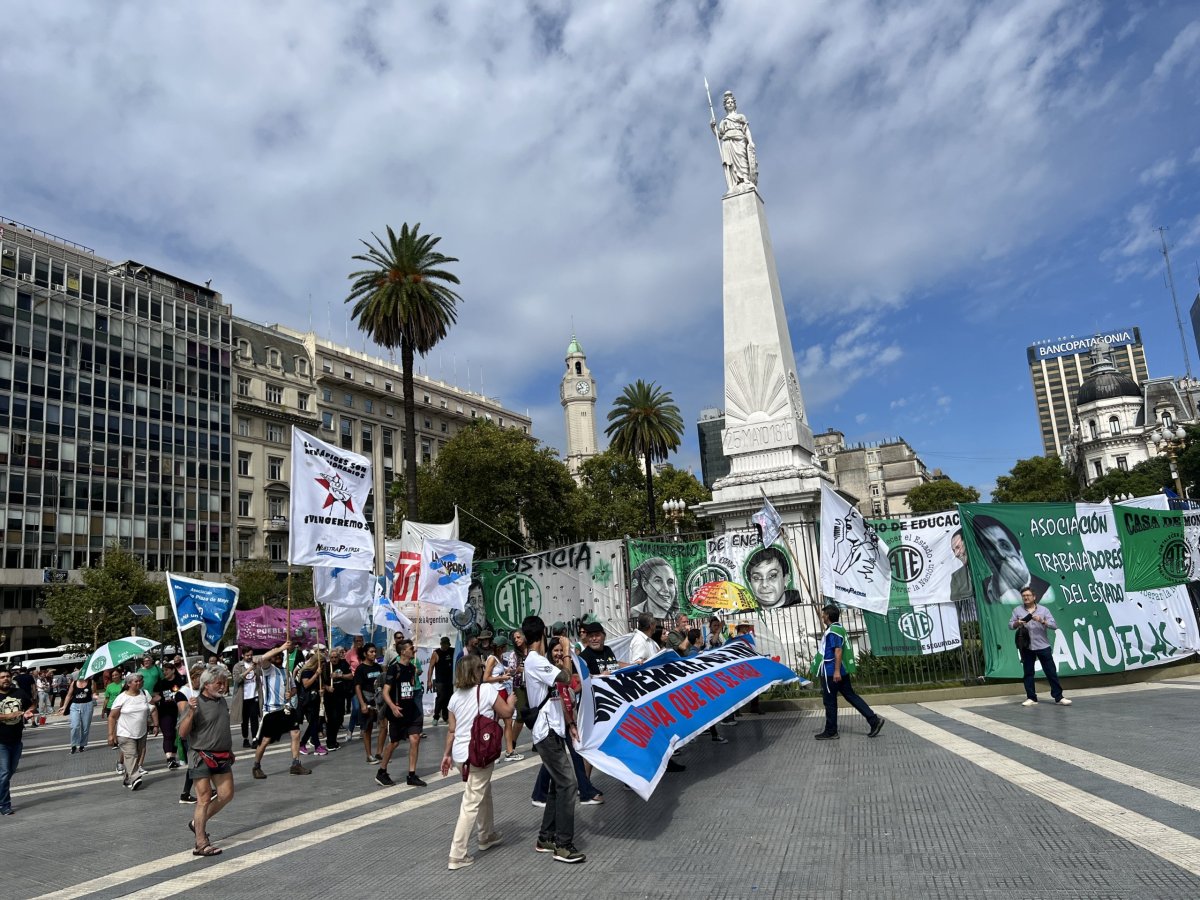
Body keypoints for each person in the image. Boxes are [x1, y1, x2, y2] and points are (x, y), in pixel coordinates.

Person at [521, 615, 585, 864]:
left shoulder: (537, 661)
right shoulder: (535, 661)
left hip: (554, 728)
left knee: (557, 786)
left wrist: (569, 723)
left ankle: (546, 837)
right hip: (546, 731)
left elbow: (556, 695)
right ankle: (563, 845)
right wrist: (567, 652)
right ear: (543, 636)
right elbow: (567, 679)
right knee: (569, 784)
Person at [441, 655, 513, 870]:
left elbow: (452, 731)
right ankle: (457, 853)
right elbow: (507, 713)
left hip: (460, 755)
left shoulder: (454, 698)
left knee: (483, 792)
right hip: (479, 753)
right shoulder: (487, 690)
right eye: (481, 667)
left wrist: (446, 755)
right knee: (471, 801)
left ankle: (486, 834)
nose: (484, 670)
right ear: (475, 671)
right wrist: (511, 701)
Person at [530, 639, 603, 808]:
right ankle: (584, 792)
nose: (559, 654)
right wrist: (570, 723)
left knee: (562, 758)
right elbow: (560, 697)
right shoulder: (551, 672)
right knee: (571, 755)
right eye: (556, 651)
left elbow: (572, 684)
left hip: (566, 719)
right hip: (558, 721)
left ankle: (541, 794)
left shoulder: (561, 669)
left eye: (561, 651)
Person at [180, 664, 234, 857]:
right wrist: (191, 712)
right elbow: (183, 733)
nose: (223, 687)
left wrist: (229, 750)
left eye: (224, 683)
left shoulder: (221, 702)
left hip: (222, 755)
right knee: (203, 799)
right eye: (219, 683)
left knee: (226, 794)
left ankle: (197, 823)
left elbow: (221, 728)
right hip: (201, 756)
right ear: (206, 684)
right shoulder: (194, 704)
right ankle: (201, 843)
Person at [812, 605, 884, 741]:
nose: (822, 616)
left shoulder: (833, 631)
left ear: (828, 616)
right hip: (839, 670)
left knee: (830, 702)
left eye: (823, 614)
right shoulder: (839, 629)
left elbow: (837, 651)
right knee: (851, 696)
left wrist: (836, 671)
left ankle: (831, 731)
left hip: (831, 670)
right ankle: (873, 720)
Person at [250, 642, 311, 779]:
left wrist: (292, 693)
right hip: (272, 711)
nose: (277, 656)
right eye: (275, 654)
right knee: (265, 740)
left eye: (280, 655)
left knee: (296, 733)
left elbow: (294, 688)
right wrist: (280, 648)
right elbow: (260, 659)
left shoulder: (287, 672)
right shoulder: (268, 669)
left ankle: (296, 764)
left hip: (286, 709)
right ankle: (256, 765)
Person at [970, 515, 1053, 605]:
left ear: (1019, 554)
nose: (1001, 554)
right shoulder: (984, 585)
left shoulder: (1045, 590)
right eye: (991, 547)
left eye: (1005, 546)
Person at [1011, 588, 1071, 707]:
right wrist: (1018, 623)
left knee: (1051, 672)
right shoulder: (1017, 610)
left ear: (1034, 597)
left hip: (1043, 645)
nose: (1026, 597)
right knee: (1028, 672)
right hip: (1027, 646)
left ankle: (1059, 697)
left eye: (1028, 595)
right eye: (1023, 596)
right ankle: (1031, 697)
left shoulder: (1044, 610)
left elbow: (1054, 625)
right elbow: (1010, 625)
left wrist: (1042, 621)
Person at [378, 639, 426, 787]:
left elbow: (411, 687)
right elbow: (386, 692)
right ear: (403, 651)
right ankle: (382, 771)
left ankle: (411, 774)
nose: (414, 650)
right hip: (398, 712)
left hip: (412, 710)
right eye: (411, 648)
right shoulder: (394, 669)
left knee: (415, 739)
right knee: (394, 742)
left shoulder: (412, 668)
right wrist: (392, 707)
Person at [108, 672, 159, 790]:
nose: (139, 683)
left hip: (141, 732)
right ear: (129, 684)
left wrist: (156, 725)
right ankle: (136, 777)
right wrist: (111, 734)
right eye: (136, 681)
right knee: (131, 755)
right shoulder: (122, 698)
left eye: (141, 680)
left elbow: (153, 709)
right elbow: (112, 717)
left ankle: (127, 779)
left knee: (138, 754)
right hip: (125, 733)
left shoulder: (144, 694)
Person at [0, 667, 35, 815]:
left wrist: (29, 711)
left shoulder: (19, 693)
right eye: (2, 677)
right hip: (1, 742)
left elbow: (32, 704)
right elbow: (9, 715)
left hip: (16, 741)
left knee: (9, 772)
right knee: (5, 773)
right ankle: (4, 805)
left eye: (7, 676)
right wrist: (8, 716)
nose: (6, 679)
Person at [484, 635, 522, 761]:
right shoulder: (491, 659)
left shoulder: (499, 658)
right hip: (495, 693)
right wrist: (502, 678)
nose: (507, 648)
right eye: (505, 646)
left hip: (502, 691)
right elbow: (486, 678)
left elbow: (499, 673)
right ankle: (492, 751)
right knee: (494, 723)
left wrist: (510, 672)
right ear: (501, 647)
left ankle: (509, 751)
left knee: (508, 721)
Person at [711, 90, 758, 192]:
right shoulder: (724, 121)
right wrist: (713, 128)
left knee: (742, 160)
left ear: (735, 104)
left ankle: (746, 180)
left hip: (740, 140)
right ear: (725, 106)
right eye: (728, 102)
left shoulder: (740, 117)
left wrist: (750, 141)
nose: (730, 103)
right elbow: (719, 135)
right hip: (728, 143)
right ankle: (734, 184)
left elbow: (746, 130)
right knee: (731, 165)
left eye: (732, 102)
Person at [353, 643, 383, 765]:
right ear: (365, 653)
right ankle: (368, 754)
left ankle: (379, 753)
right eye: (371, 652)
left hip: (379, 700)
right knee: (367, 728)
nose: (374, 654)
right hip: (367, 700)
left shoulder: (377, 667)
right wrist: (362, 704)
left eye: (375, 651)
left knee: (383, 726)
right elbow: (357, 687)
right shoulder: (360, 669)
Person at [295, 650, 328, 756]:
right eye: (322, 663)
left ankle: (303, 743)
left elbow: (319, 685)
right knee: (314, 723)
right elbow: (306, 684)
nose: (323, 665)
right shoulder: (307, 671)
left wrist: (322, 689)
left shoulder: (318, 672)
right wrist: (316, 674)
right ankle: (316, 745)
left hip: (315, 699)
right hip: (307, 701)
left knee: (314, 723)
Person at [156, 661, 183, 769]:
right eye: (163, 671)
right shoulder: (161, 683)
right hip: (165, 712)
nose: (164, 672)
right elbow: (155, 694)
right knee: (168, 735)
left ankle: (174, 757)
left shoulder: (180, 680)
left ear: (172, 670)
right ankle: (169, 759)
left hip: (178, 711)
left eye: (166, 670)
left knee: (176, 735)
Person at [231, 648, 261, 749]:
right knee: (244, 720)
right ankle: (245, 739)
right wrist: (248, 670)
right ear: (243, 655)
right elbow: (237, 679)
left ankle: (255, 739)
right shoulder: (238, 666)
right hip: (243, 697)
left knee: (254, 719)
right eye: (247, 655)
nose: (249, 657)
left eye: (251, 655)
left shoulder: (256, 665)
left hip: (254, 696)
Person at [325, 645, 352, 750]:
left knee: (339, 718)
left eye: (336, 657)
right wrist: (327, 687)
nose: (334, 659)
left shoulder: (343, 664)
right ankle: (330, 742)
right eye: (332, 657)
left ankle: (334, 739)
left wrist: (340, 676)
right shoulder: (326, 666)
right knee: (331, 719)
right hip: (330, 697)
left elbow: (350, 676)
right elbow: (322, 682)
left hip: (341, 695)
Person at [61, 672, 95, 753]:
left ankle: (82, 745)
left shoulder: (91, 682)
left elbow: (93, 693)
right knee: (75, 726)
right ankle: (73, 745)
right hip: (75, 706)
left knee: (85, 727)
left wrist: (95, 696)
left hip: (87, 705)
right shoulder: (74, 683)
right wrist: (64, 706)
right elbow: (69, 695)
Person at [427, 636, 455, 726]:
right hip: (440, 681)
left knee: (449, 698)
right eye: (443, 644)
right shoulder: (436, 653)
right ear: (441, 644)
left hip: (450, 680)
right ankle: (436, 716)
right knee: (441, 698)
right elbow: (431, 667)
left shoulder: (452, 651)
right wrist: (429, 680)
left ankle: (446, 716)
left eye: (446, 644)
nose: (445, 646)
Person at [948, 529, 975, 604]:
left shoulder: (991, 568)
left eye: (958, 547)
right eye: (954, 550)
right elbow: (958, 604)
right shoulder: (956, 577)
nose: (956, 554)